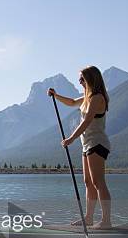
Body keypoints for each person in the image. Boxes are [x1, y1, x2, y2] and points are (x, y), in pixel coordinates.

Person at [47, 65, 112, 229]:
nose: (80, 82)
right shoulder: (87, 97)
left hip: (97, 143)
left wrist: (70, 139)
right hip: (87, 145)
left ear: (91, 79)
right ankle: (89, 218)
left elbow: (87, 121)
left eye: (82, 79)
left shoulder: (97, 98)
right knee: (88, 182)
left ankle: (106, 221)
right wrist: (56, 95)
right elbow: (71, 102)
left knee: (98, 182)